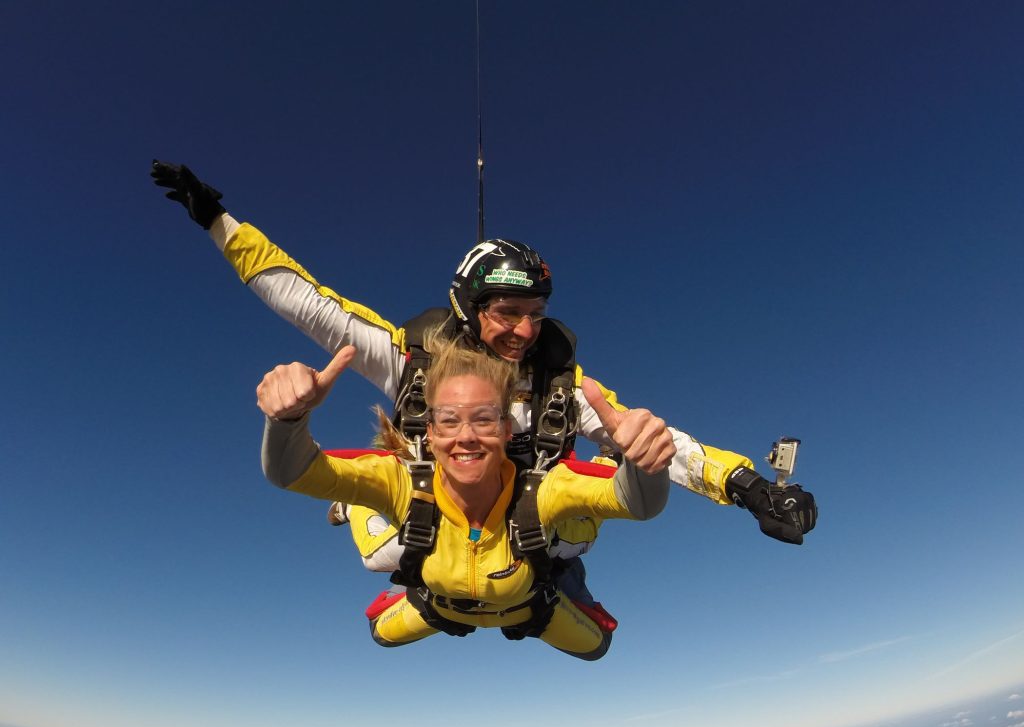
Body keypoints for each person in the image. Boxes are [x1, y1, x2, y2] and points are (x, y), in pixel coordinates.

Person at [151, 160, 816, 598]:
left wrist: (748, 488)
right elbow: (306, 301)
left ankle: (542, 571)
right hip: (436, 510)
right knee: (383, 555)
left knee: (578, 530)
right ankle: (361, 507)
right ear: (469, 309)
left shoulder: (562, 384)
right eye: (508, 312)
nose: (525, 330)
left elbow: (657, 443)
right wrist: (218, 222)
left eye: (536, 314)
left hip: (521, 521)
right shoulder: (410, 360)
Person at [257, 334, 674, 660]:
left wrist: (643, 464)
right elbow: (291, 472)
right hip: (436, 607)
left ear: (507, 430)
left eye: (484, 419)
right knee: (380, 631)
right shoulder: (400, 481)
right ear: (430, 434)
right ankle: (355, 503)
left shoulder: (544, 490)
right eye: (449, 420)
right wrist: (287, 420)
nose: (466, 436)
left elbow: (637, 504)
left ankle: (603, 470)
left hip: (532, 610)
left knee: (597, 647)